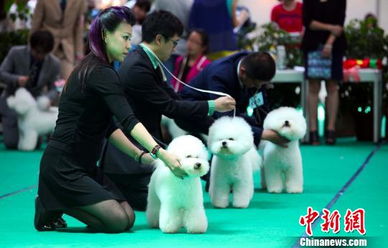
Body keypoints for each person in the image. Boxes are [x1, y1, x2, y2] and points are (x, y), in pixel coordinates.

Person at [34, 6, 186, 233]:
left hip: (85, 165)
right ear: (105, 35)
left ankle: (56, 198)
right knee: (116, 221)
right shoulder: (99, 72)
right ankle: (51, 201)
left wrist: (140, 155)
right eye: (125, 38)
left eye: (130, 38)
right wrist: (161, 154)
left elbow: (109, 127)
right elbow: (129, 120)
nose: (129, 45)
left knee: (128, 217)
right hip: (62, 166)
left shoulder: (101, 68)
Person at [102, 10, 235, 211]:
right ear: (158, 39)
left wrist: (214, 126)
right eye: (174, 43)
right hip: (127, 160)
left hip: (142, 147)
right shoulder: (138, 68)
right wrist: (213, 105)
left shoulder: (148, 62)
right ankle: (114, 188)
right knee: (171, 197)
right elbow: (171, 107)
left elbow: (175, 100)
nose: (176, 48)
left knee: (181, 185)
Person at [180, 51, 290, 147]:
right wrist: (264, 134)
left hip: (225, 111)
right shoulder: (219, 76)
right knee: (226, 133)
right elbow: (227, 119)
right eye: (256, 84)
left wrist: (270, 126)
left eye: (262, 85)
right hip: (192, 113)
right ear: (243, 72)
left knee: (248, 124)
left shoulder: (254, 65)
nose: (258, 88)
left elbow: (260, 105)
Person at [0, 30, 60, 149]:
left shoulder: (54, 63)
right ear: (30, 46)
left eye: (45, 53)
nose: (40, 56)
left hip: (35, 107)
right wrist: (16, 79)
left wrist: (48, 99)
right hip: (13, 103)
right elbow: (1, 73)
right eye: (37, 52)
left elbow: (54, 88)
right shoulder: (15, 53)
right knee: (12, 143)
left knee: (35, 143)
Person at [301, 0, 347, 145]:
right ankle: (313, 130)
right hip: (312, 45)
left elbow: (339, 25)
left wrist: (329, 43)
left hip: (335, 46)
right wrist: (330, 27)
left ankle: (331, 130)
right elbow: (308, 22)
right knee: (313, 87)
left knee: (332, 87)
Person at [31, 0, 87, 80]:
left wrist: (79, 54)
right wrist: (31, 48)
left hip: (67, 49)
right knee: (43, 82)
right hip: (45, 47)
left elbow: (78, 29)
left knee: (69, 82)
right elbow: (36, 24)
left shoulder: (79, 1)